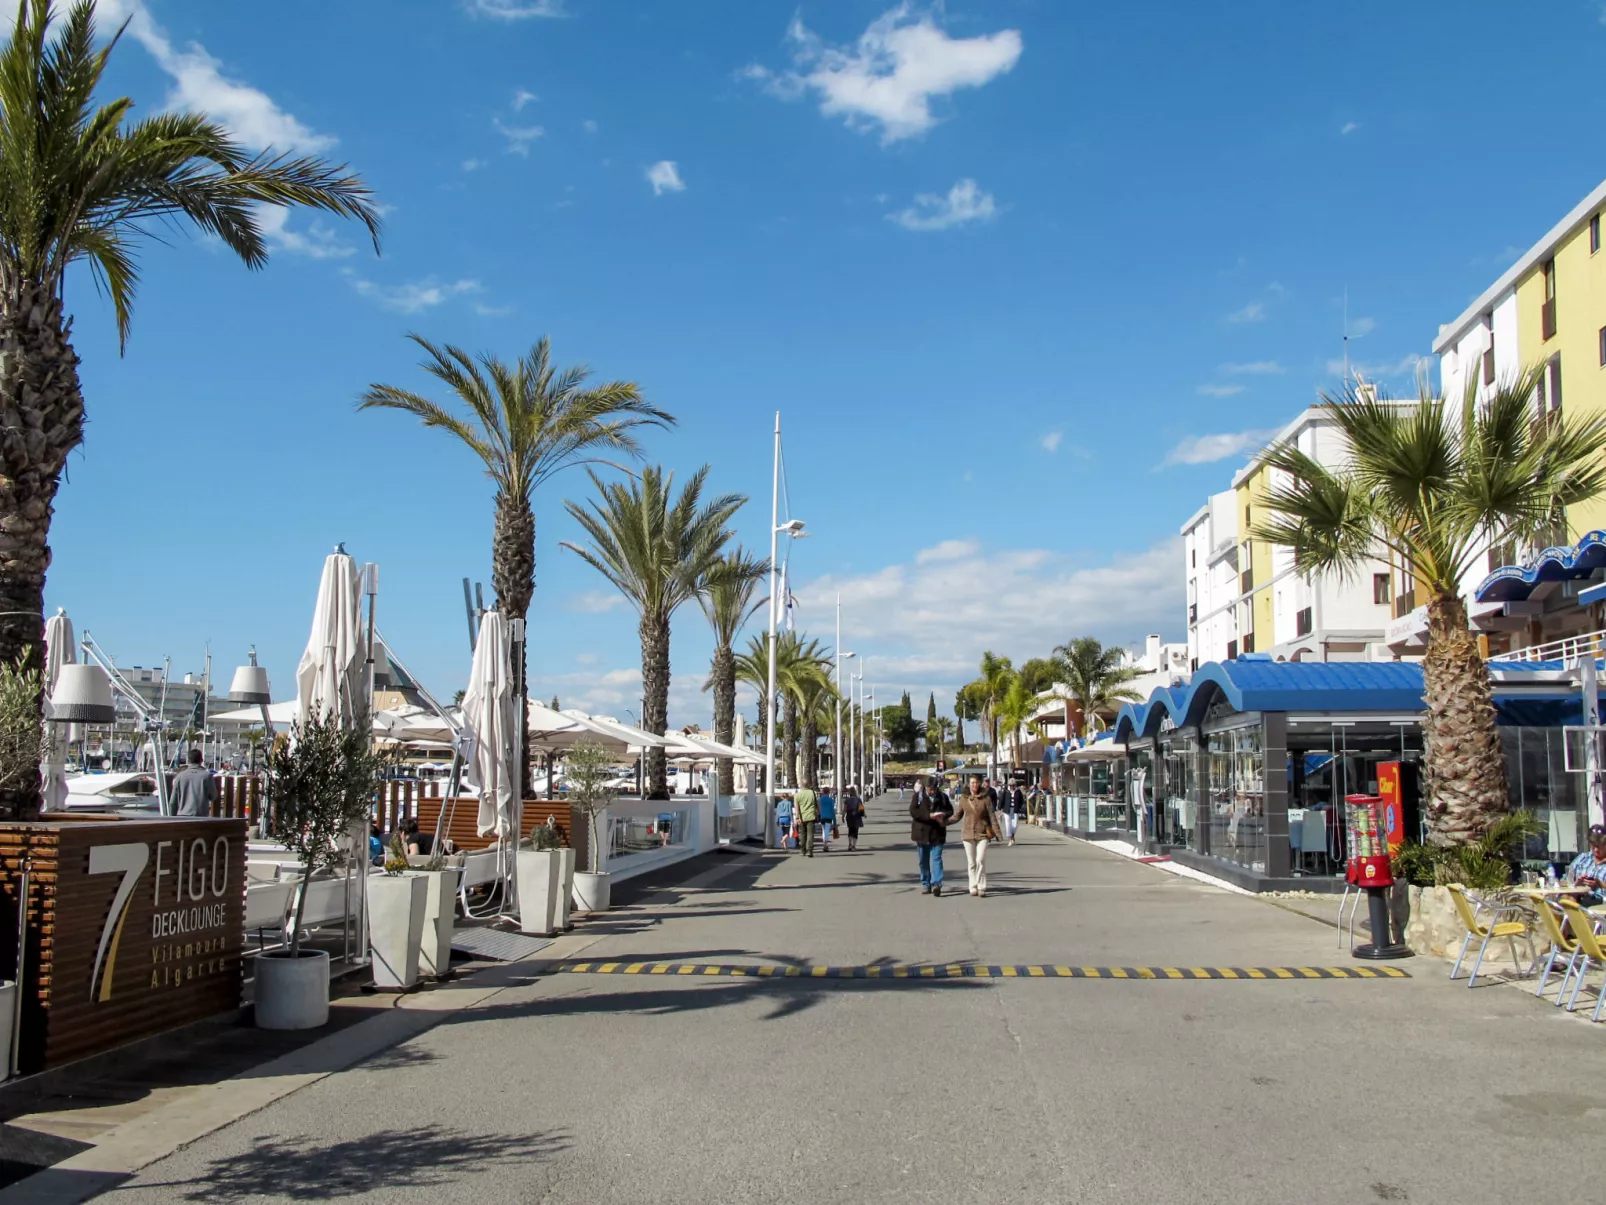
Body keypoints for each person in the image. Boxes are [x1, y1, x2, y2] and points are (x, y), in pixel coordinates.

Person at [956, 775, 1002, 897]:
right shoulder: (964, 799)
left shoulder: (986, 799)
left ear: (979, 784)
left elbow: (992, 816)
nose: (974, 785)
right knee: (971, 863)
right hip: (968, 834)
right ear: (968, 784)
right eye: (972, 783)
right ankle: (973, 886)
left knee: (980, 860)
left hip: (983, 833)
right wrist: (944, 821)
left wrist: (998, 833)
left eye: (976, 782)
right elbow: (957, 815)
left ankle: (982, 886)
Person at [909, 776, 952, 895]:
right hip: (922, 833)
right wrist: (929, 816)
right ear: (925, 788)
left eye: (933, 789)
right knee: (923, 861)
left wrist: (943, 815)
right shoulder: (918, 797)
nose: (931, 791)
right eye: (929, 789)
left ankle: (937, 884)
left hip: (937, 833)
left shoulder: (943, 797)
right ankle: (926, 883)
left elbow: (950, 810)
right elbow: (913, 812)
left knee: (937, 859)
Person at [172, 748, 219, 817]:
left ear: (188, 760)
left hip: (182, 817)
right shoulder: (207, 776)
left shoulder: (180, 776)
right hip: (201, 818)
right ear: (201, 760)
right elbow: (214, 796)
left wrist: (172, 819)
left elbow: (173, 802)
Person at [1568, 824, 1606, 905]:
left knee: (1571, 901)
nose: (1596, 850)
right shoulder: (1583, 858)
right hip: (1579, 897)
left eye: (1599, 846)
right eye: (1593, 846)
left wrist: (1599, 884)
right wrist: (1576, 884)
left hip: (1600, 902)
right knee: (1564, 898)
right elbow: (1565, 879)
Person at [794, 785, 820, 857]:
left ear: (801, 786)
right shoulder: (813, 793)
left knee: (802, 834)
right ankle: (810, 850)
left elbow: (796, 807)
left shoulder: (797, 795)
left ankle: (803, 850)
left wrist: (797, 817)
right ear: (808, 785)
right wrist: (819, 812)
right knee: (810, 834)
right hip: (811, 816)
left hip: (801, 818)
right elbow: (817, 804)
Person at [843, 784, 865, 851]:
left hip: (849, 816)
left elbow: (844, 809)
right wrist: (863, 814)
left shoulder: (847, 800)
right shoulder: (858, 800)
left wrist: (843, 816)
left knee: (850, 831)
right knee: (855, 832)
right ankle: (853, 846)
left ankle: (849, 844)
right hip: (857, 816)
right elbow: (861, 808)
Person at [818, 788, 837, 853]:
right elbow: (832, 810)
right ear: (828, 792)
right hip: (829, 817)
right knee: (826, 831)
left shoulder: (820, 800)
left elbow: (819, 809)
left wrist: (820, 815)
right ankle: (825, 845)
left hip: (822, 817)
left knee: (823, 830)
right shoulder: (831, 800)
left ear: (823, 792)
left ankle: (824, 844)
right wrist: (834, 820)